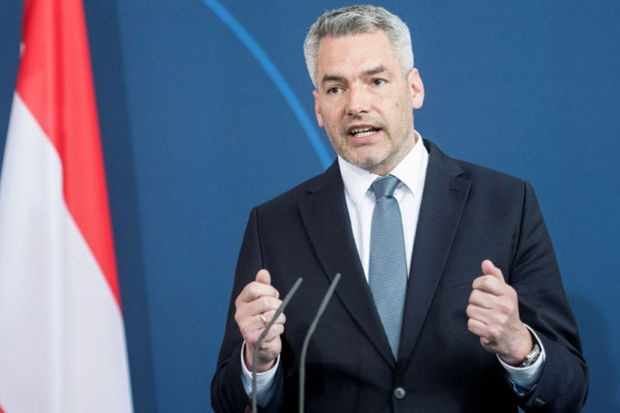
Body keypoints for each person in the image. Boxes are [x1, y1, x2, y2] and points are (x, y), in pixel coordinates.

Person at [211, 5, 588, 412]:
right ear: (318, 108)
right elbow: (228, 401)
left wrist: (519, 346)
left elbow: (569, 391)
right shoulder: (274, 225)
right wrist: (258, 363)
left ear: (414, 89)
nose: (356, 104)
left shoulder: (506, 203)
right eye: (336, 88)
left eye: (376, 81)